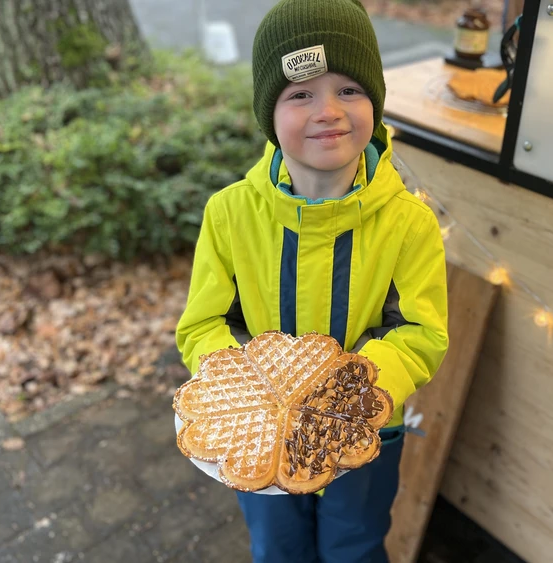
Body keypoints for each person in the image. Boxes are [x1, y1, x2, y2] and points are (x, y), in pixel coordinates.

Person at [175, 1, 449, 561]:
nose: (329, 111)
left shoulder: (408, 223)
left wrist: (352, 392)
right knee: (278, 547)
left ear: (375, 100)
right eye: (300, 94)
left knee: (356, 544)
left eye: (349, 89)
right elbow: (204, 324)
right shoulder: (230, 215)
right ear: (267, 114)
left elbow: (420, 332)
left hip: (367, 432)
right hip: (256, 440)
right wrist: (245, 400)